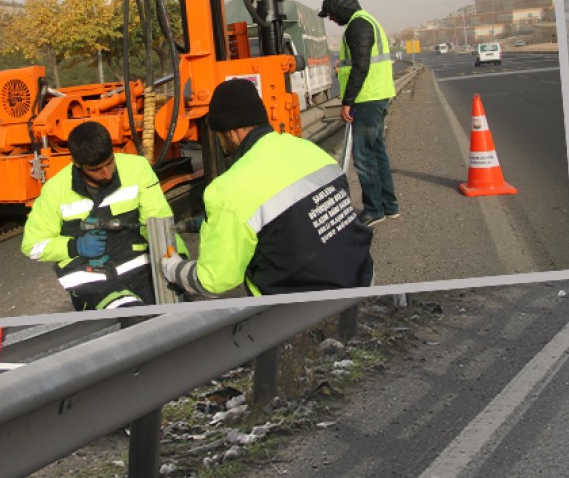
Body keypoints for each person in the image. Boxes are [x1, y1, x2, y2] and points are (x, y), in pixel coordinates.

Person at [162, 77, 374, 297]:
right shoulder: (309, 150)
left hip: (308, 310)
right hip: (362, 276)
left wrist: (174, 268)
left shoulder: (228, 190)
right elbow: (292, 216)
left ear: (230, 132)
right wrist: (207, 224)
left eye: (218, 135)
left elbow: (213, 281)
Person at [21, 121, 175, 311]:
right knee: (130, 316)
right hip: (88, 279)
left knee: (173, 312)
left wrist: (176, 260)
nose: (106, 173)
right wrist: (74, 246)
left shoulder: (137, 169)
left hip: (138, 268)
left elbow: (159, 221)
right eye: (95, 170)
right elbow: (32, 245)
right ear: (77, 164)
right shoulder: (55, 190)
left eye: (109, 163)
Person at [317, 0, 400, 225]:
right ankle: (389, 205)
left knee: (363, 157)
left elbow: (361, 66)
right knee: (377, 153)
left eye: (332, 14)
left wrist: (347, 102)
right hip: (377, 96)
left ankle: (374, 210)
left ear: (341, 8)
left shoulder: (358, 25)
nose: (332, 19)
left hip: (367, 99)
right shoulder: (367, 21)